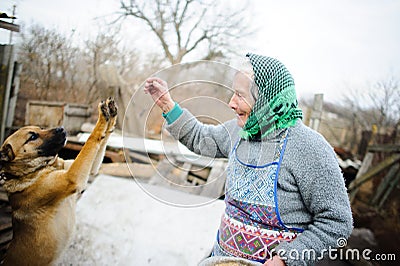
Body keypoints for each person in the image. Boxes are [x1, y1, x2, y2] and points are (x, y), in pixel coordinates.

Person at [144, 53, 353, 265]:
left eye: (240, 95)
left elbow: (336, 222)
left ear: (265, 99)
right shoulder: (240, 132)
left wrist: (287, 258)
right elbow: (201, 138)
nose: (231, 103)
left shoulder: (309, 148)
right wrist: (167, 105)